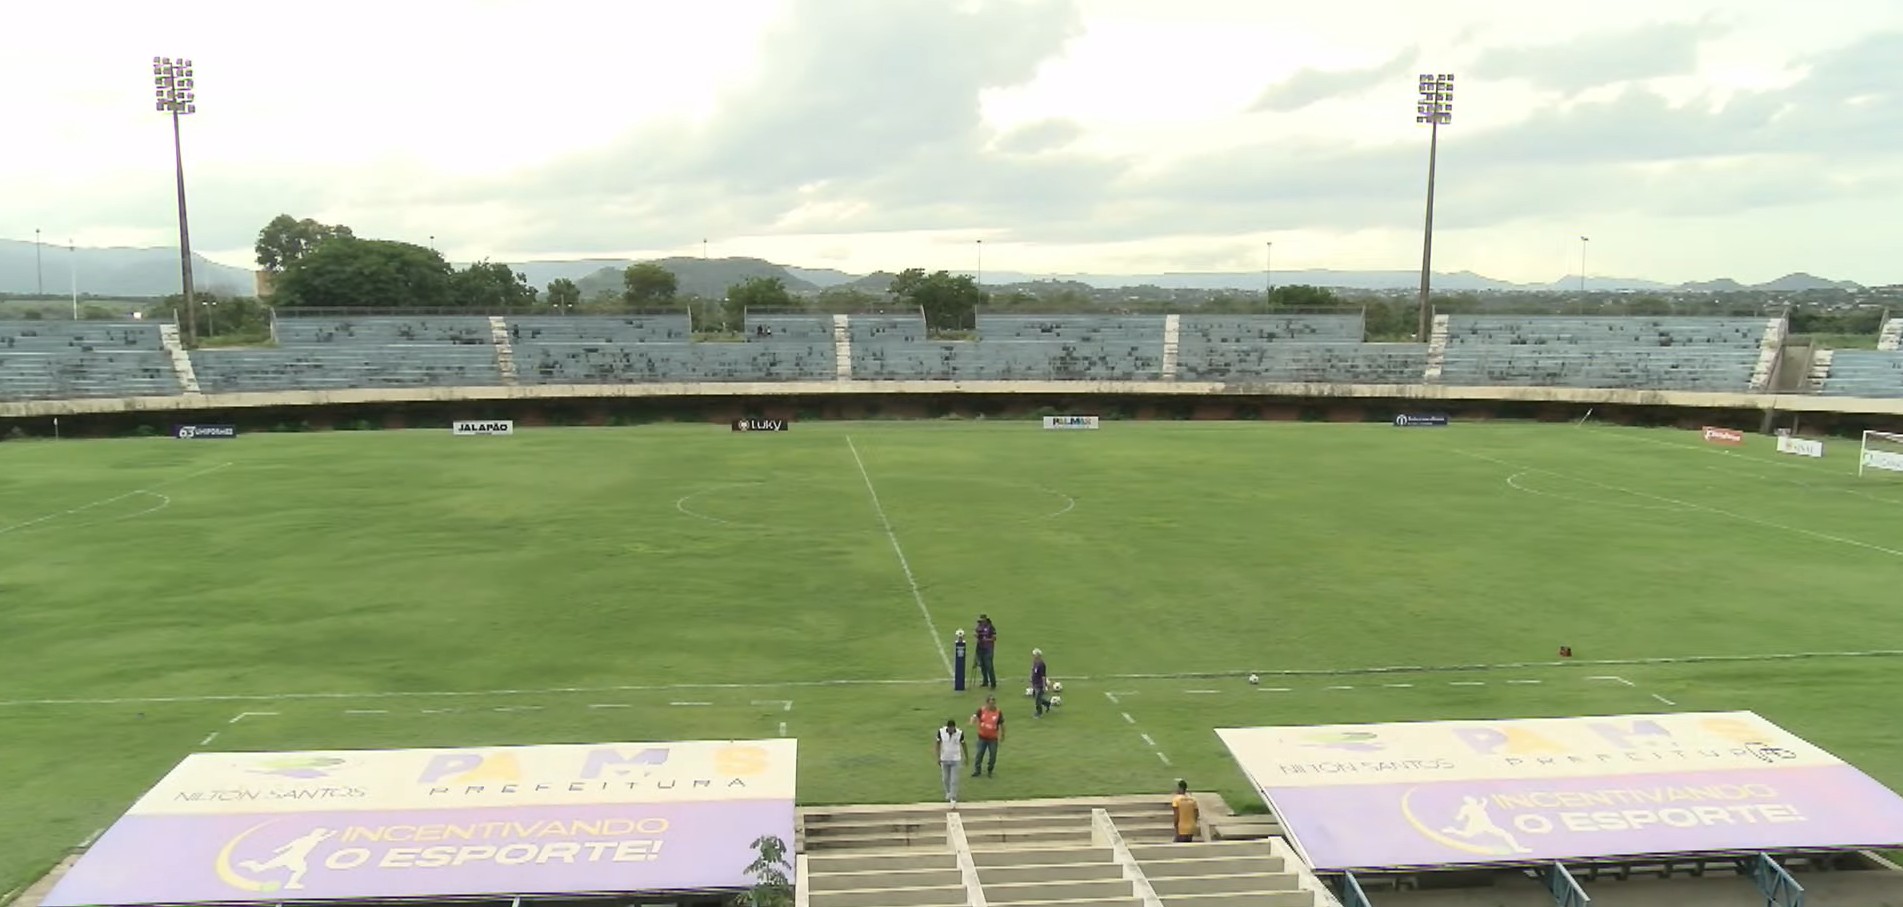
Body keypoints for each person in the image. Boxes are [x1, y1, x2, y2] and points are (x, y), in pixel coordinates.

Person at [933, 718, 968, 806]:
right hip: (944, 758)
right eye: (949, 729)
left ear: (954, 727)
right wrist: (937, 757)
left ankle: (953, 797)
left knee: (954, 779)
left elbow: (964, 745)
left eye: (952, 729)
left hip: (955, 759)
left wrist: (966, 757)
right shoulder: (941, 732)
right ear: (947, 727)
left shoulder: (959, 733)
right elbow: (937, 744)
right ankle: (948, 792)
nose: (951, 731)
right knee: (945, 778)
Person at [971, 695, 1004, 777]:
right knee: (979, 754)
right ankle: (977, 770)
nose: (992, 705)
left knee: (993, 755)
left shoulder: (998, 712)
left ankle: (990, 769)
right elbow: (975, 716)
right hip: (982, 737)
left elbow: (1001, 724)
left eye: (993, 703)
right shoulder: (982, 710)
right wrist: (973, 720)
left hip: (993, 738)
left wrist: (1002, 734)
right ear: (987, 703)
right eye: (990, 703)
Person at [975, 615, 998, 689]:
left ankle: (993, 683)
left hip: (988, 649)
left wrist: (986, 640)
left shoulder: (990, 627)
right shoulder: (979, 626)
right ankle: (985, 681)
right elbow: (978, 634)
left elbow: (994, 638)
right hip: (980, 648)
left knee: (989, 666)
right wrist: (977, 636)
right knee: (982, 666)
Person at [1031, 648, 1051, 717]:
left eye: (1034, 655)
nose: (1033, 656)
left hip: (1039, 684)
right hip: (1035, 683)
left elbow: (1043, 676)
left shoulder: (1041, 664)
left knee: (1037, 700)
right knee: (1036, 697)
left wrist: (1044, 686)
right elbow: (1034, 672)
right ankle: (1047, 703)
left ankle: (1039, 712)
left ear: (1038, 655)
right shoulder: (1035, 662)